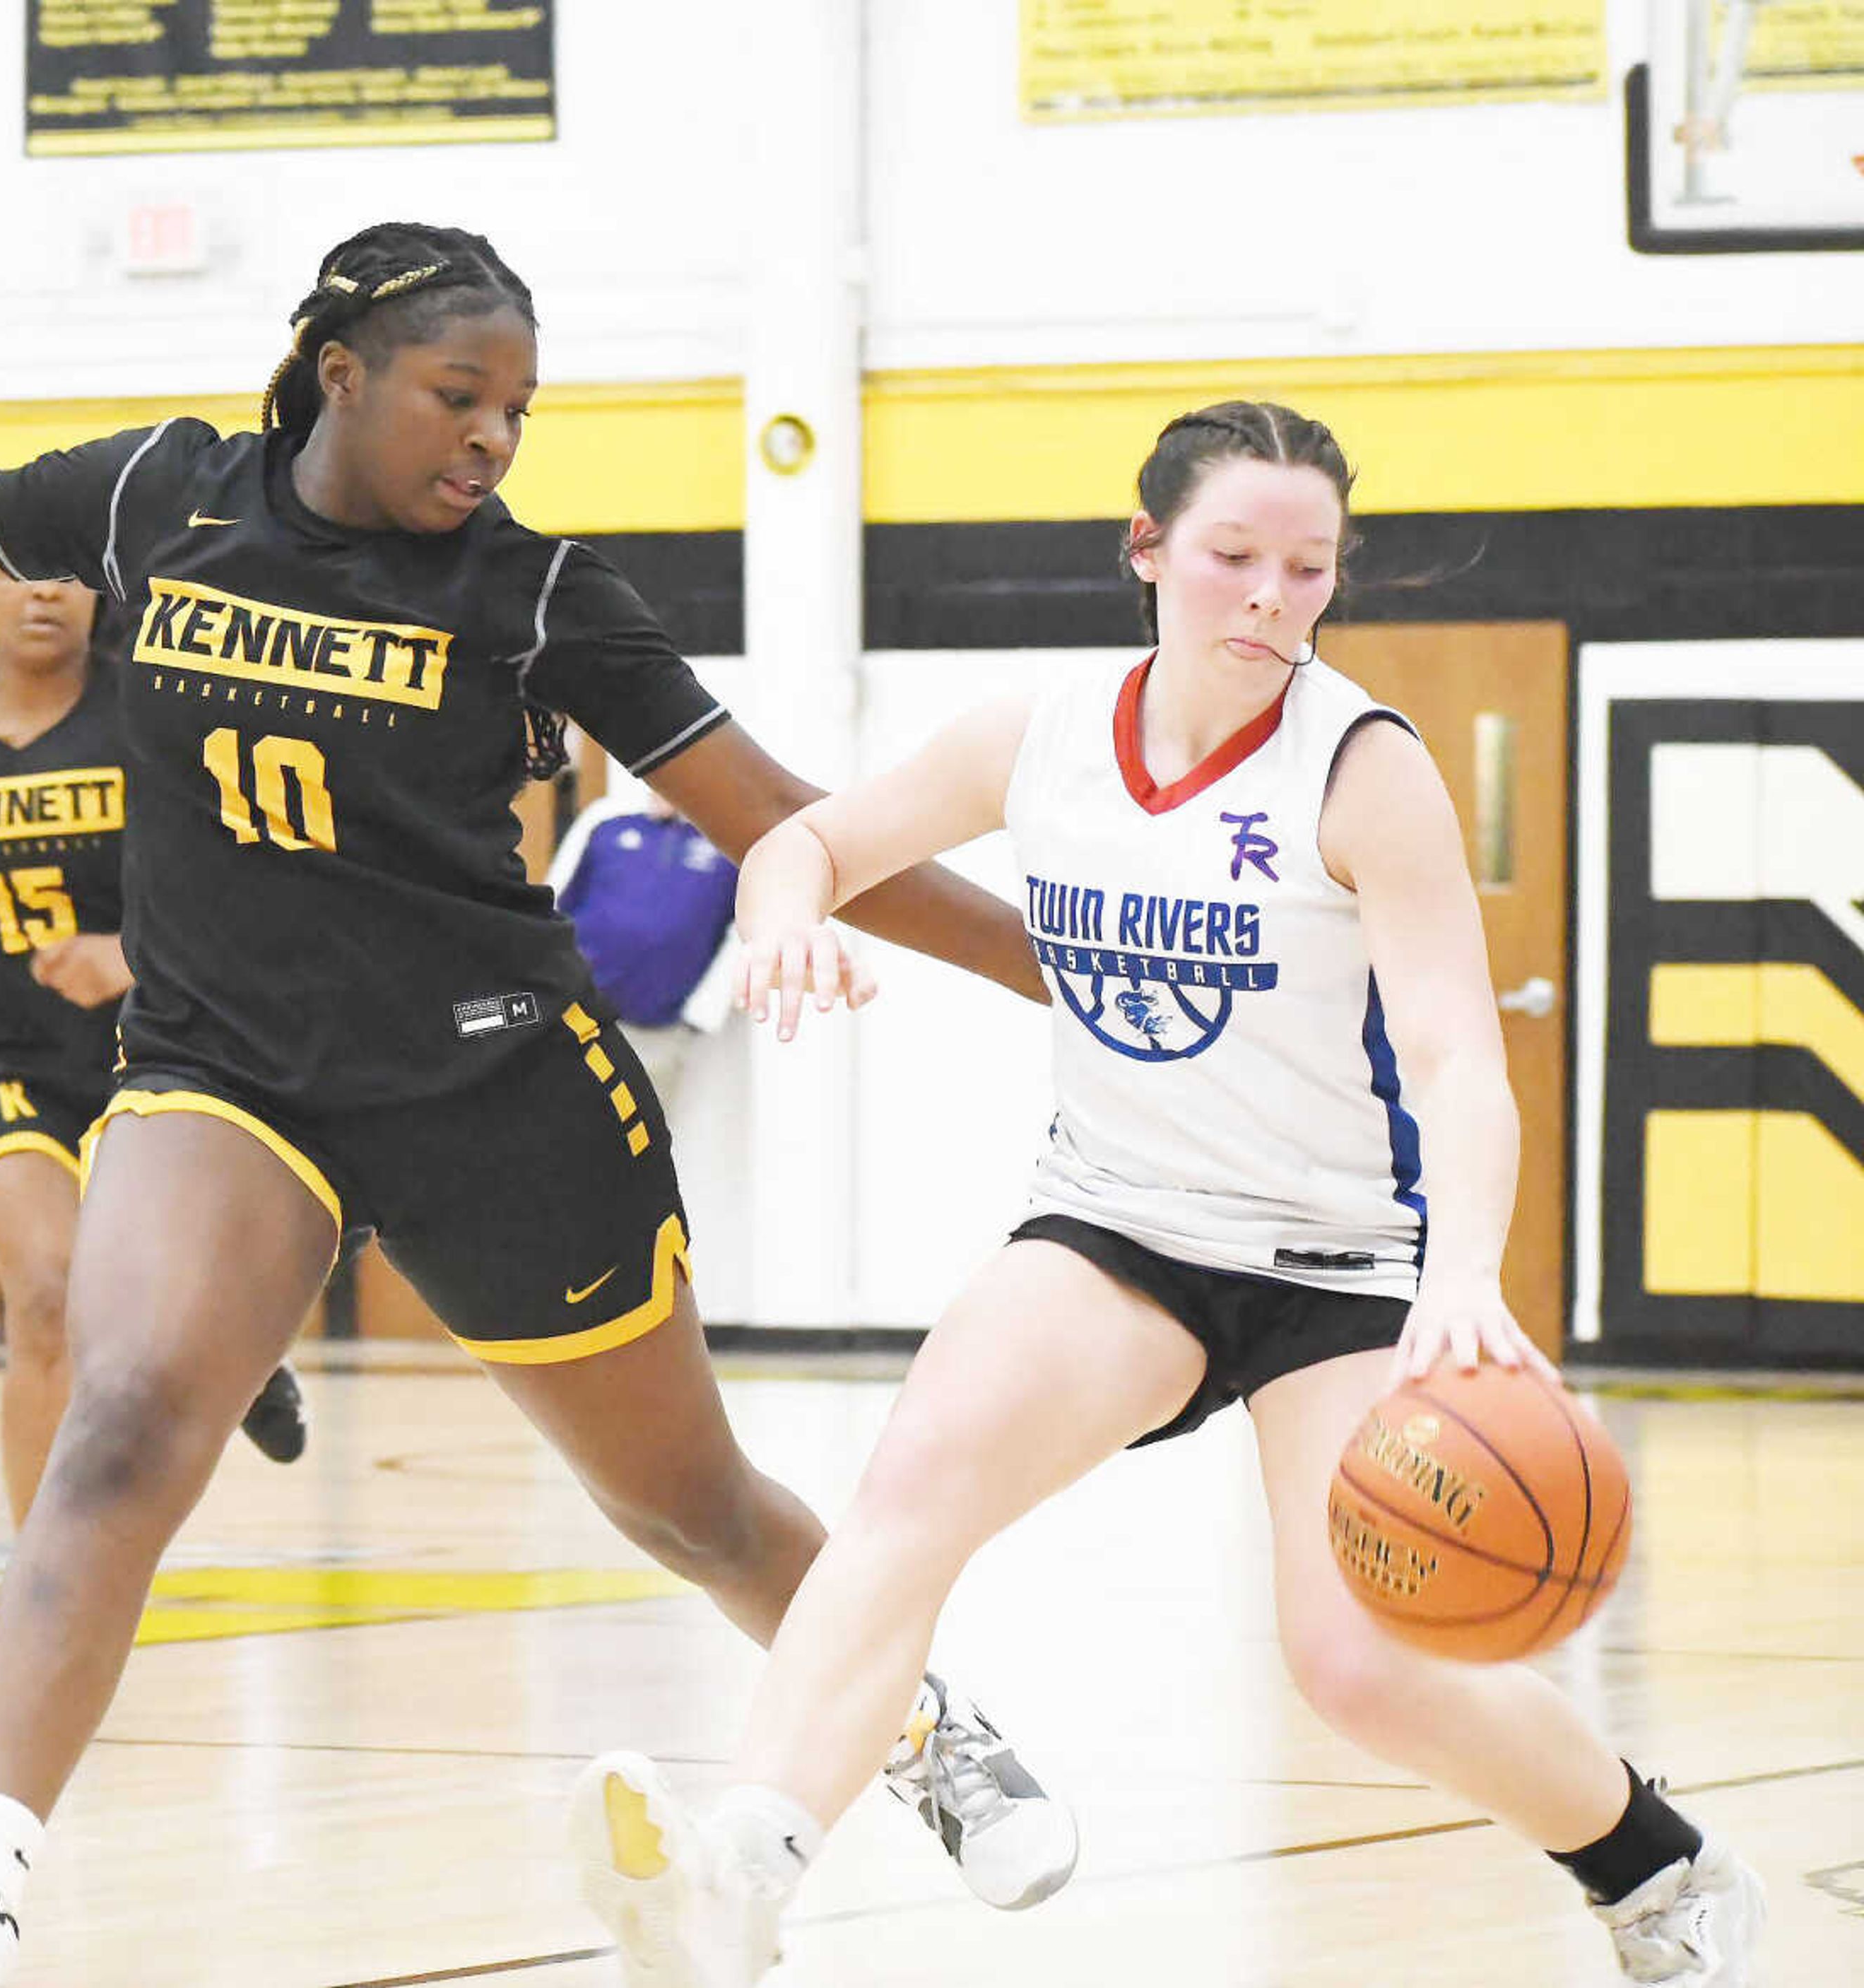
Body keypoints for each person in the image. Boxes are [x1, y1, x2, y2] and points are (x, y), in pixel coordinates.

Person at [0, 226, 1070, 1988]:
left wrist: (1060, 968)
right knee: (122, 1418)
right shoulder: (159, 492)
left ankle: (920, 1725)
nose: (492, 435)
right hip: (226, 1069)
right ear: (339, 368)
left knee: (690, 1510)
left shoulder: (532, 591)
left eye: (518, 405)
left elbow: (781, 816)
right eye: (459, 393)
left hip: (491, 1078)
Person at [574, 404, 1766, 1987]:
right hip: (1119, 1226)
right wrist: (790, 910)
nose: (1271, 596)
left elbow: (1458, 1060)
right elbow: (812, 837)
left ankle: (1658, 1866)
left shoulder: (1367, 766)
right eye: (1233, 557)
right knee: (909, 1491)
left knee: (1356, 1668)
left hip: (1336, 1263)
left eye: (1308, 566)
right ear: (1146, 553)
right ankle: (748, 1865)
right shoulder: (1043, 729)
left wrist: (1464, 1277)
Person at [0, 575, 308, 1529]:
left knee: (151, 1304)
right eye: (20, 571)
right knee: (47, 1291)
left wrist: (128, 954)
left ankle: (232, 1344)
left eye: (68, 572)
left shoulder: (156, 717)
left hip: (165, 1054)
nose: (44, 591)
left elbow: (252, 876)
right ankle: (43, 1580)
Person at [548, 783, 740, 1107]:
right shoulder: (608, 820)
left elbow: (742, 935)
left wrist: (699, 1016)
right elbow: (555, 902)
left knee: (634, 1147)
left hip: (655, 1036)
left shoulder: (728, 845)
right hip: (573, 1018)